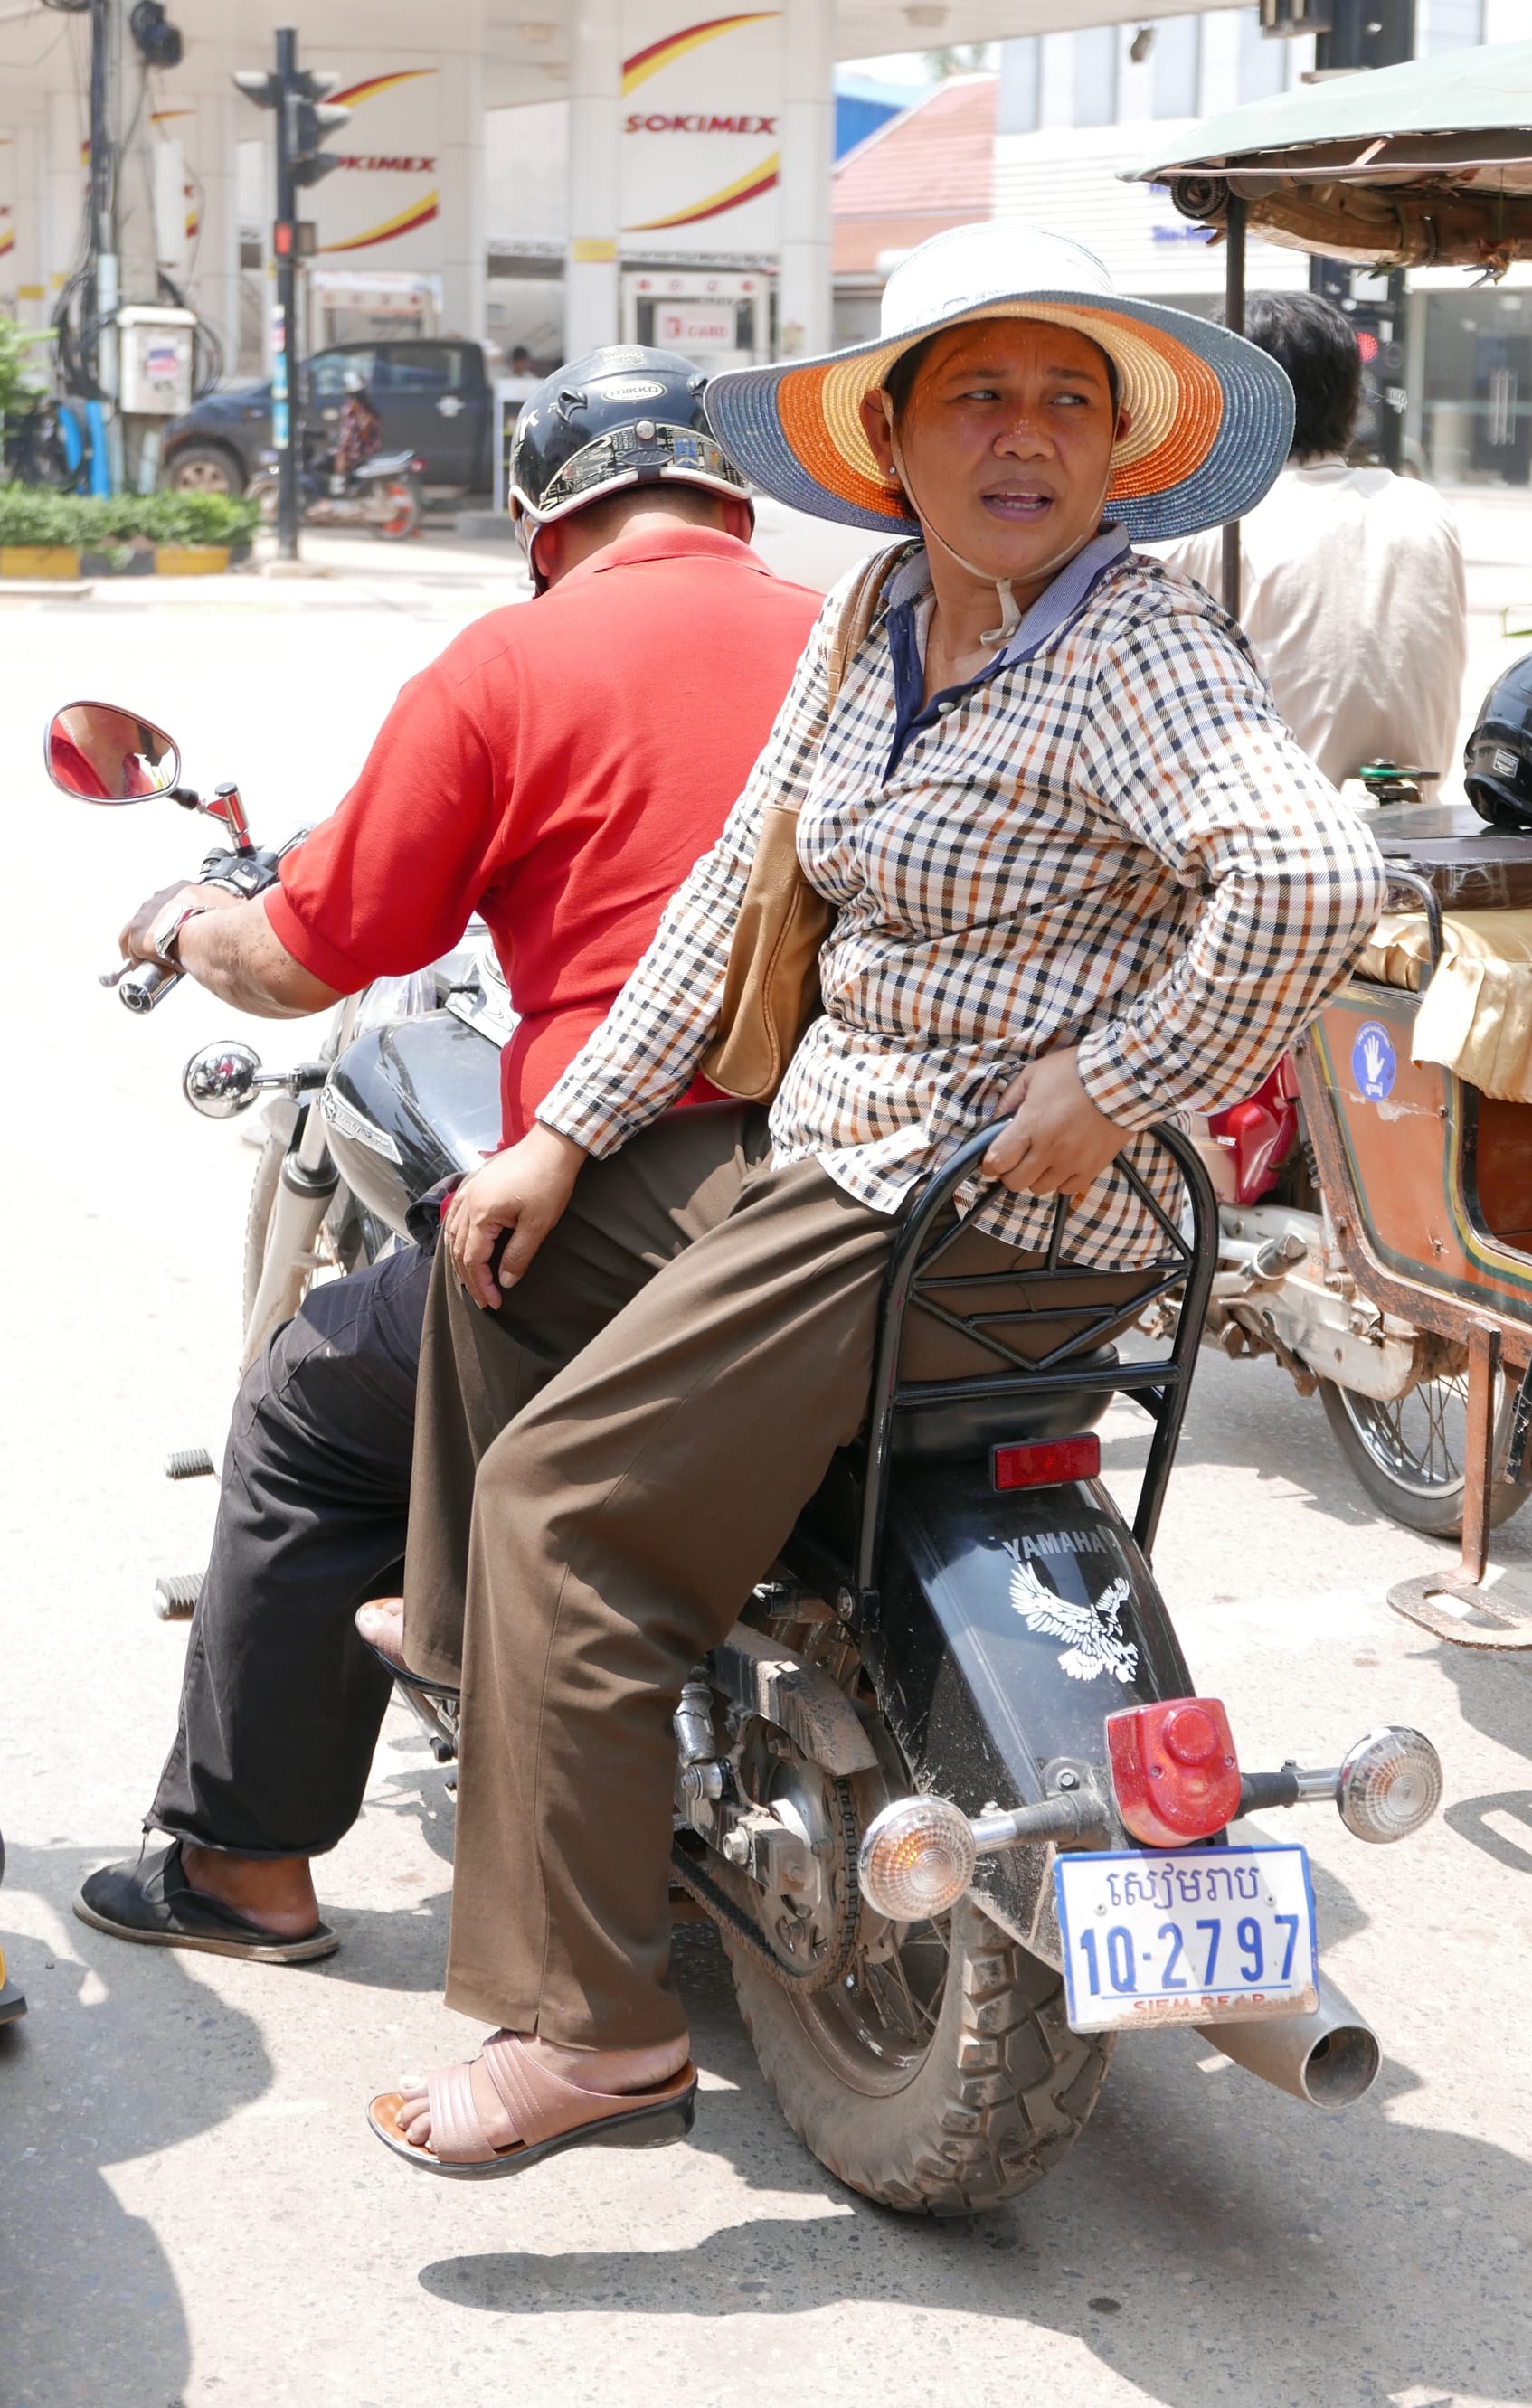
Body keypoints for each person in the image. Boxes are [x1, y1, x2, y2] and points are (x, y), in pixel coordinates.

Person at [364, 222, 1388, 2176]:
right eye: (980, 396)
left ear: (1117, 453)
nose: (1025, 436)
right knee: (502, 1245)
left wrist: (1116, 1083)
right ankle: (505, 1683)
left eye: (1067, 402)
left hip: (968, 1208)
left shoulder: (1127, 639)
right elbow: (734, 888)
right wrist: (564, 1128)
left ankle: (597, 2029)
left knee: (557, 1506)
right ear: (894, 442)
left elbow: (1309, 881)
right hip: (837, 1148)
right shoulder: (890, 617)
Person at [73, 348, 823, 1967]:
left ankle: (244, 1868)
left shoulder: (513, 661)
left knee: (307, 1401)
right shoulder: (855, 642)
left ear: (544, 519)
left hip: (653, 1207)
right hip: (887, 1196)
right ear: (733, 497)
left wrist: (200, 913)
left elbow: (313, 950)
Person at [1168, 290, 1467, 795]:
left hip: (1273, 843)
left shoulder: (1207, 528)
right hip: (1421, 822)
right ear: (1352, 397)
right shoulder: (1425, 509)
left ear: (1231, 399)